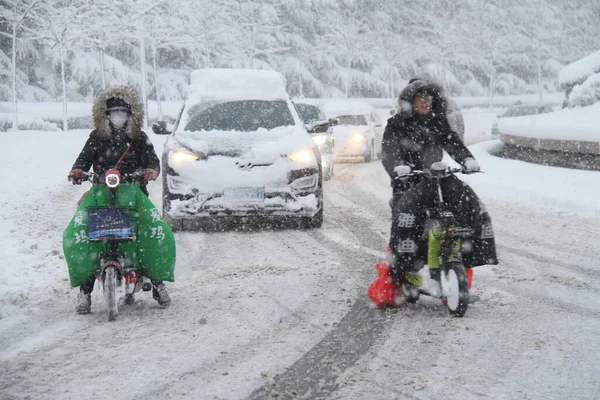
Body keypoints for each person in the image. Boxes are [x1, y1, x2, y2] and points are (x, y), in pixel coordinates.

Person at [381, 79, 498, 287]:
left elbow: (453, 143)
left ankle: (468, 253)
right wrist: (399, 167)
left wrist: (466, 159)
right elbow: (389, 152)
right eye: (421, 98)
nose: (426, 102)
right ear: (410, 100)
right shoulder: (396, 124)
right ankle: (401, 269)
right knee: (407, 223)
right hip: (407, 182)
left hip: (435, 179)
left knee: (468, 202)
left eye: (430, 98)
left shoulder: (438, 122)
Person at [68, 87, 170, 314]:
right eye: (113, 113)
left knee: (151, 232)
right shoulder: (96, 138)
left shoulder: (139, 138)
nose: (118, 117)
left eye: (122, 113)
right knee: (83, 235)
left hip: (133, 195)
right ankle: (85, 291)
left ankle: (157, 282)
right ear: (105, 115)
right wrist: (77, 171)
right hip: (101, 194)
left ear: (130, 115)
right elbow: (83, 159)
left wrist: (150, 171)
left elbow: (153, 162)